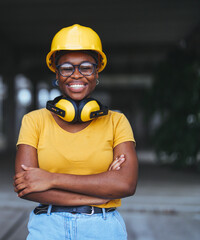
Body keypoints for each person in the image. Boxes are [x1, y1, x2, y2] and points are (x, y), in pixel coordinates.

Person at [13, 24, 138, 239]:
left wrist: (50, 178)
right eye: (67, 68)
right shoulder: (33, 121)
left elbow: (125, 184)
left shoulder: (117, 122)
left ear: (96, 71)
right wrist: (100, 189)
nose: (76, 75)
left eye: (86, 67)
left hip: (103, 228)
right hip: (47, 228)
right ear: (57, 73)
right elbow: (27, 188)